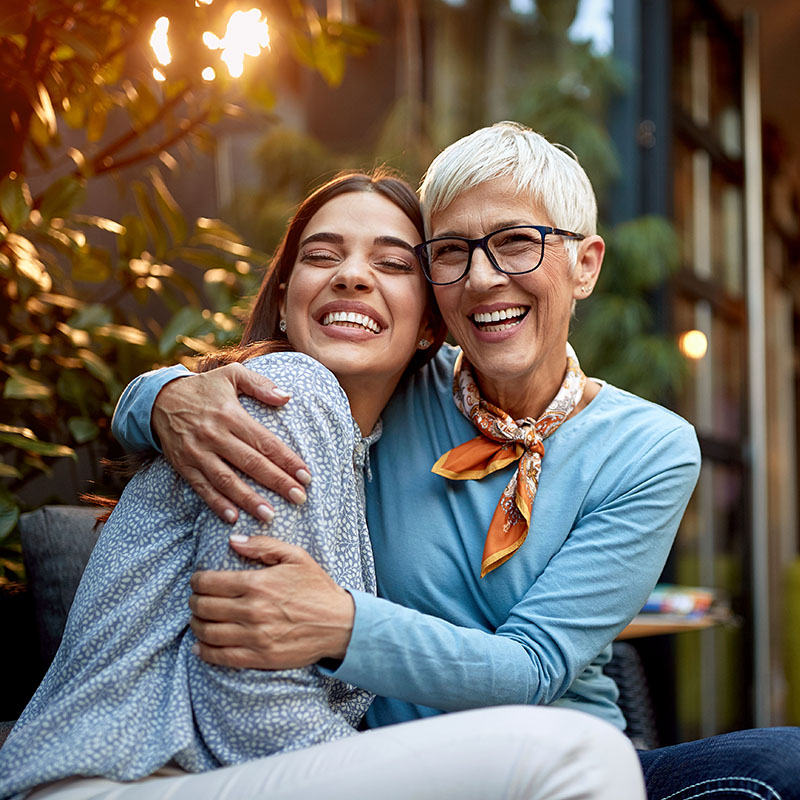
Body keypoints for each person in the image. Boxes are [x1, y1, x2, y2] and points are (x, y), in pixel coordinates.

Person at [115, 123, 800, 800]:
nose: (481, 279)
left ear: (585, 264)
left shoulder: (650, 447)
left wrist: (341, 624)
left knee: (786, 760)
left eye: (514, 244)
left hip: (568, 760)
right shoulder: (394, 383)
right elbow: (274, 381)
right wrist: (161, 397)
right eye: (450, 252)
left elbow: (536, 666)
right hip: (389, 767)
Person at [0, 170, 646, 800]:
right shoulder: (290, 395)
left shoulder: (367, 444)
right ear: (283, 297)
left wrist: (151, 394)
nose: (353, 274)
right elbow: (252, 710)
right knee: (581, 757)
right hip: (120, 777)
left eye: (393, 265)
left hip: (211, 772)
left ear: (431, 324)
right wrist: (158, 395)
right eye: (321, 255)